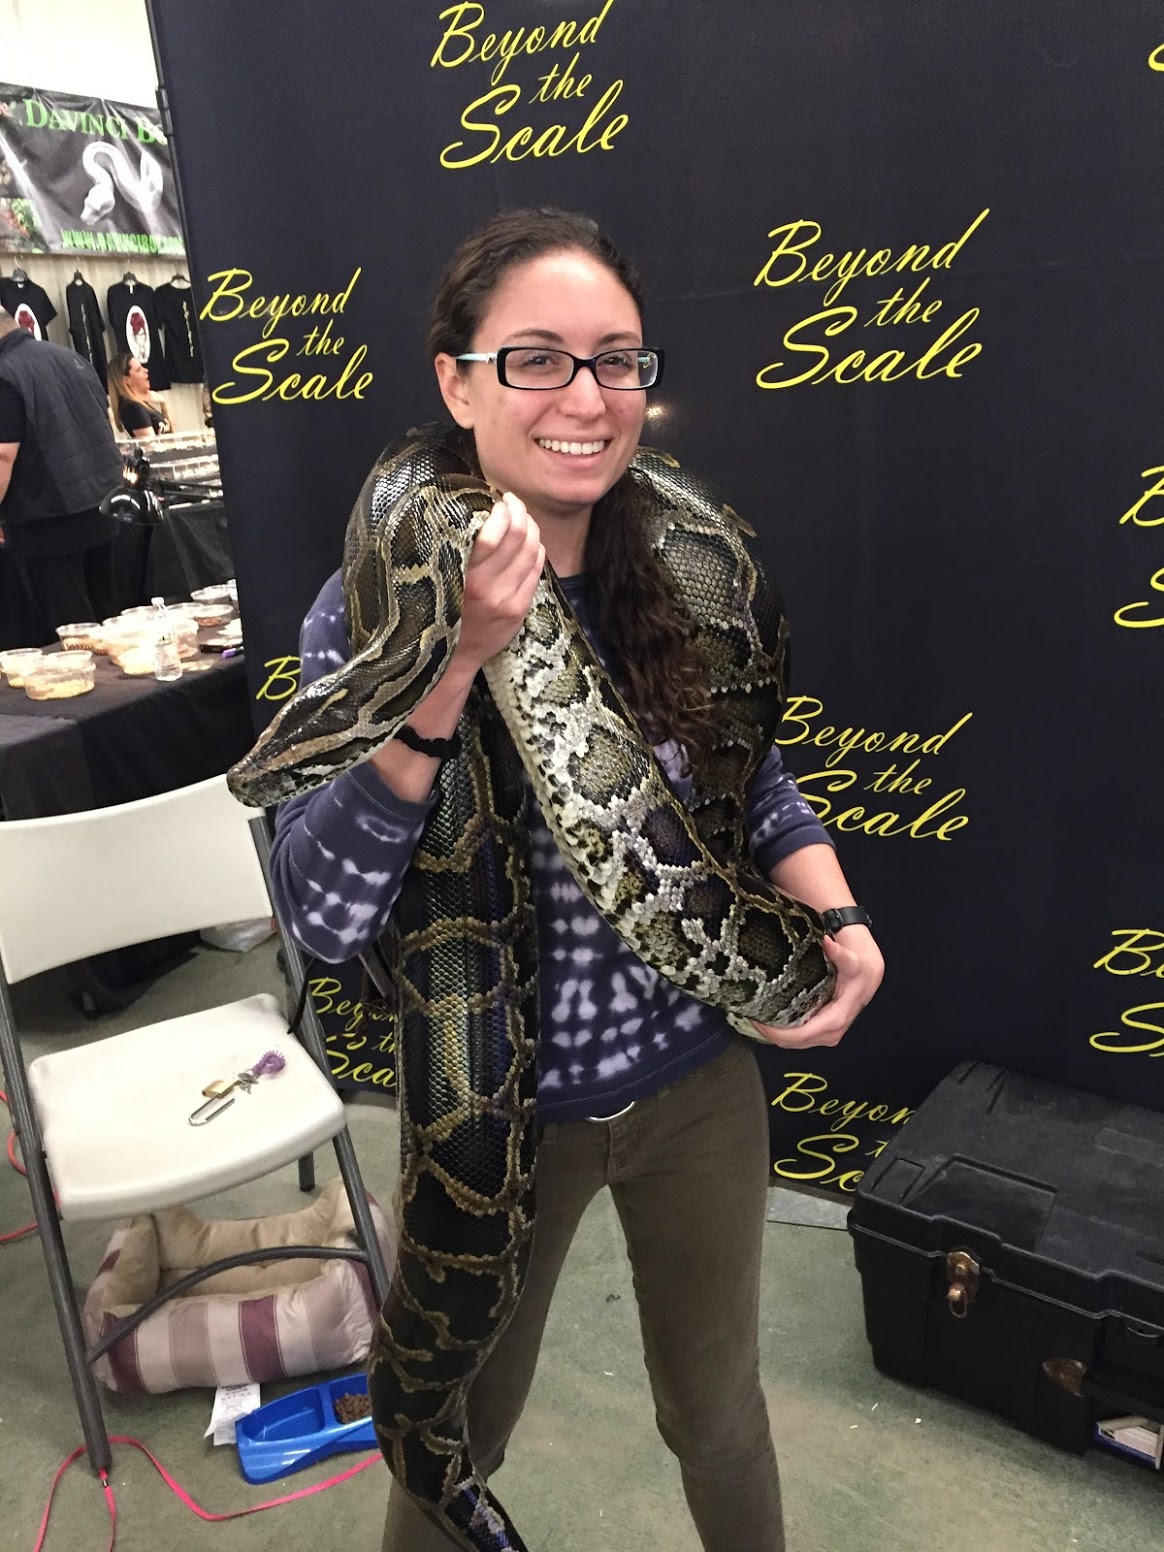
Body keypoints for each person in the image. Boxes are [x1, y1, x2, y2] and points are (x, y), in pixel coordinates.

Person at [269, 207, 885, 1552]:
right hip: (511, 1120)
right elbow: (320, 916)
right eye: (538, 358)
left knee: (721, 1416)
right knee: (451, 1441)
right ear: (459, 383)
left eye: (616, 360)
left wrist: (833, 909)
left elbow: (751, 785)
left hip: (696, 1085)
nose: (587, 397)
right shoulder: (370, 606)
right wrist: (452, 661)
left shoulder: (680, 576)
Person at [0, 307, 125, 642]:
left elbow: (2, 454)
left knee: (72, 634)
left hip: (49, 518)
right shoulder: (71, 358)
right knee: (108, 620)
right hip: (102, 504)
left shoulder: (5, 372)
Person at [107, 351, 171, 439]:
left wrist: (163, 404)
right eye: (138, 370)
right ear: (126, 380)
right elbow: (149, 444)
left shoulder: (141, 404)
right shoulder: (133, 408)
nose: (146, 370)